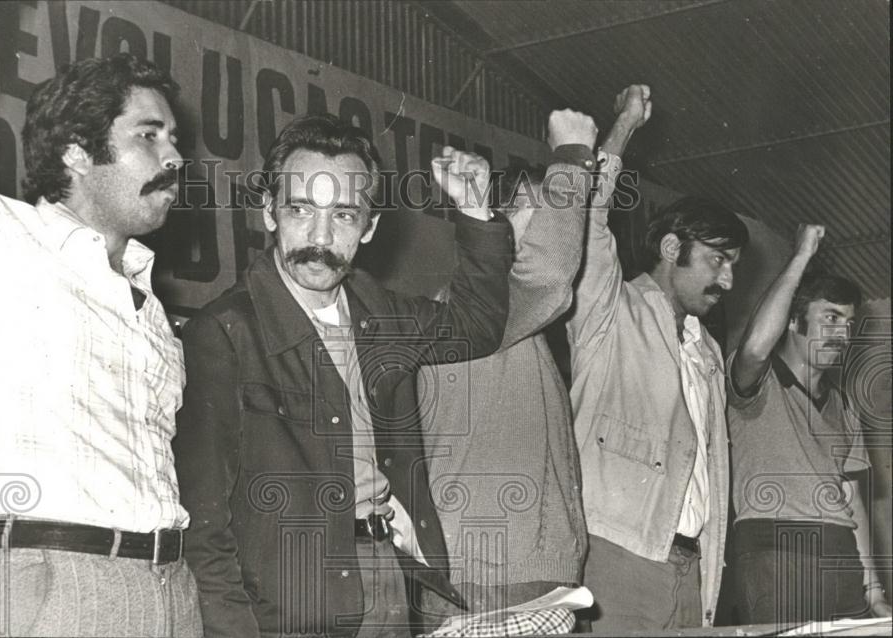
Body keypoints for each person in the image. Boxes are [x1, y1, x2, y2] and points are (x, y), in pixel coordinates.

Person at [0, 2, 201, 636]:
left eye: (174, 139)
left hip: (172, 587)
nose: (174, 158)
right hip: (58, 586)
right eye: (148, 136)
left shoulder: (150, 305)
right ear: (77, 155)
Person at [172, 113, 513, 637]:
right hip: (288, 603)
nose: (320, 237)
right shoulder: (224, 331)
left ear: (371, 227)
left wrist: (472, 209)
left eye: (345, 216)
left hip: (386, 577)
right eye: (301, 209)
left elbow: (477, 327)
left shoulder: (383, 314)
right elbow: (203, 521)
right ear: (269, 211)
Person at [567, 85, 750, 630]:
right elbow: (585, 223)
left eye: (733, 265)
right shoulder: (609, 309)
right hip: (616, 558)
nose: (729, 280)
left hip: (692, 570)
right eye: (718, 260)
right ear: (672, 250)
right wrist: (622, 128)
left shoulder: (707, 351)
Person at [417, 108, 598, 617]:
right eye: (532, 214)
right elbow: (549, 275)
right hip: (491, 576)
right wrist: (570, 157)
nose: (552, 231)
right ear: (494, 224)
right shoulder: (473, 309)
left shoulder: (517, 329)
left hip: (508, 573)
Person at [727, 224, 892, 624]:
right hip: (775, 550)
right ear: (794, 323)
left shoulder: (843, 405)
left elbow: (853, 500)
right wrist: (800, 257)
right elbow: (754, 346)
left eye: (849, 324)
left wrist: (875, 592)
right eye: (830, 318)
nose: (842, 333)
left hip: (841, 557)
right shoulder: (757, 379)